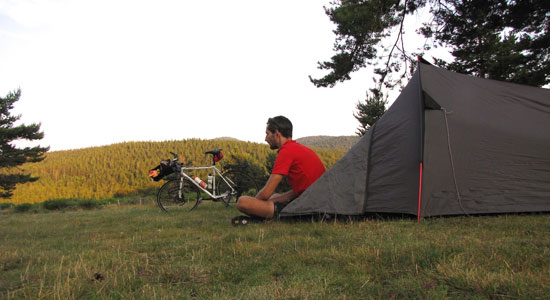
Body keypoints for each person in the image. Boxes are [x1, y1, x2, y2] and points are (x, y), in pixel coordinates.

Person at [236, 116, 326, 220]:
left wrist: (254, 205)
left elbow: (266, 193)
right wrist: (275, 200)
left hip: (310, 208)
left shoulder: (286, 152)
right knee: (275, 197)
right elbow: (302, 190)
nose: (265, 139)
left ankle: (272, 216)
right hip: (320, 203)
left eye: (267, 134)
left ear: (277, 133)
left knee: (243, 202)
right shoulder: (298, 148)